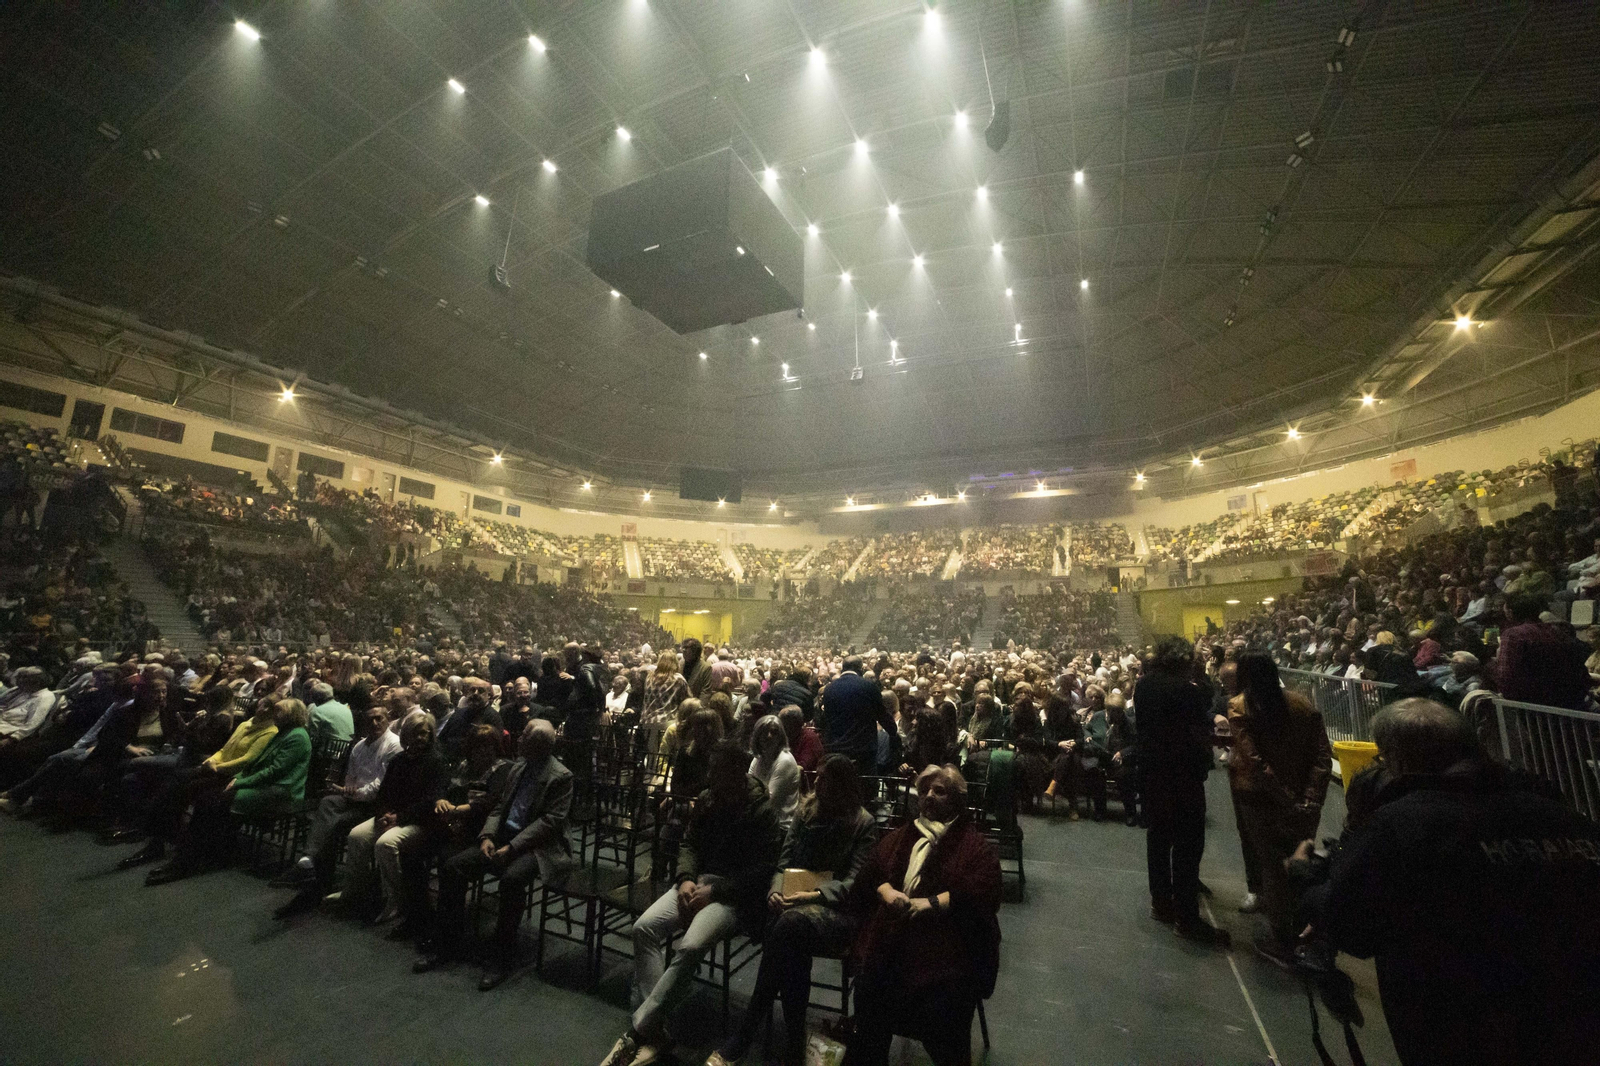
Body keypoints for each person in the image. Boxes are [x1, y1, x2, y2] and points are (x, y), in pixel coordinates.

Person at [1304, 699, 1600, 1065]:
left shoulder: (1401, 824)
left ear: (1397, 759)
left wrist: (1312, 885)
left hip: (1455, 1018)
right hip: (1574, 1014)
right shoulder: (1566, 817)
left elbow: (1354, 927)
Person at [600, 740, 782, 1066]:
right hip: (695, 885)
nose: (710, 775)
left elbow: (762, 871)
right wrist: (685, 877)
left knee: (691, 945)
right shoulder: (709, 800)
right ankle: (659, 1030)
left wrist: (715, 891)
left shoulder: (761, 811)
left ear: (737, 773)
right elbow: (690, 844)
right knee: (644, 928)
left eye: (717, 770)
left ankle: (640, 1031)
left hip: (731, 898)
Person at [709, 755, 878, 1066]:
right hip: (794, 904)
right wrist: (776, 890)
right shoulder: (806, 809)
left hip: (838, 910)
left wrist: (808, 896)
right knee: (790, 937)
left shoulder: (862, 823)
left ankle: (747, 1034)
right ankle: (794, 1041)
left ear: (843, 785)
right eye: (819, 776)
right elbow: (783, 862)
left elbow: (853, 883)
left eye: (826, 778)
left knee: (785, 927)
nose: (817, 782)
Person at [843, 764, 1001, 1066]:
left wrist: (931, 903)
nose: (928, 796)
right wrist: (886, 891)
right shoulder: (904, 834)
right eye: (924, 790)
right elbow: (870, 873)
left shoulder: (972, 843)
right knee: (869, 989)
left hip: (946, 950)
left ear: (956, 800)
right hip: (892, 946)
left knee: (943, 1005)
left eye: (939, 791)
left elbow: (985, 890)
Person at [414, 719, 573, 990]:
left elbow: (549, 823)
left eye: (524, 736)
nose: (518, 738)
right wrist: (487, 836)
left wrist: (512, 847)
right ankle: (447, 944)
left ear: (539, 745)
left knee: (511, 879)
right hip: (503, 837)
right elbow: (500, 807)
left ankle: (501, 958)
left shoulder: (560, 776)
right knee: (453, 867)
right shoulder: (519, 766)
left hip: (539, 847)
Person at [1224, 653, 1331, 966]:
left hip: (1258, 797)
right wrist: (1309, 798)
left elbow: (1253, 761)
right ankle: (1304, 931)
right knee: (1299, 861)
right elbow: (1322, 756)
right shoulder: (1302, 703)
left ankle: (1281, 938)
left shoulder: (1240, 706)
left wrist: (1283, 795)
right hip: (1302, 799)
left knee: (1272, 864)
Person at [144, 698, 312, 885]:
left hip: (279, 790)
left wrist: (241, 782)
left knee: (212, 802)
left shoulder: (297, 736)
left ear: (292, 714)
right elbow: (255, 763)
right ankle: (196, 854)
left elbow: (275, 771)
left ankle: (189, 860)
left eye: (279, 711)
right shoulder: (283, 732)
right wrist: (238, 778)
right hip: (263, 784)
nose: (274, 714)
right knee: (206, 799)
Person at [1135, 636, 1228, 945]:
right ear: (1182, 660)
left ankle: (1161, 904)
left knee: (1158, 840)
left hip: (1152, 774)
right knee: (1188, 846)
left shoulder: (1144, 685)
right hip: (1181, 777)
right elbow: (1196, 733)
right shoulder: (1187, 691)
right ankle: (1187, 918)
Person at [273, 701, 401, 917]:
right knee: (328, 802)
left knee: (334, 824)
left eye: (380, 718)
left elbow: (381, 785)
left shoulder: (393, 745)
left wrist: (354, 792)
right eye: (370, 719)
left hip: (376, 805)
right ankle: (309, 861)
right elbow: (351, 775)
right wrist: (347, 789)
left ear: (388, 720)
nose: (375, 722)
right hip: (355, 797)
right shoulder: (360, 746)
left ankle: (314, 882)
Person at [337, 710, 447, 932]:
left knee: (385, 844)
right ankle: (355, 889)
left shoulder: (436, 762)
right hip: (391, 816)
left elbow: (430, 801)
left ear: (431, 736)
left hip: (419, 822)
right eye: (415, 733)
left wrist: (398, 817)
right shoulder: (399, 760)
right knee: (357, 835)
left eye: (424, 734)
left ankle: (396, 899)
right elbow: (384, 793)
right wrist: (383, 814)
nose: (419, 738)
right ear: (405, 735)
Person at [1492, 592, 1591, 709]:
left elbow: (1506, 679)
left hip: (1535, 707)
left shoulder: (1513, 634)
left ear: (1510, 613)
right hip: (1573, 702)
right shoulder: (1558, 630)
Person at [748, 714, 801, 830]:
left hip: (780, 826)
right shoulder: (758, 757)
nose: (769, 736)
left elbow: (769, 802)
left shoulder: (784, 760)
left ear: (781, 736)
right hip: (761, 820)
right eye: (764, 732)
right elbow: (748, 788)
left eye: (774, 732)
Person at [642, 651, 688, 729]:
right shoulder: (678, 678)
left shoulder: (649, 677)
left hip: (647, 720)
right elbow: (687, 699)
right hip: (668, 721)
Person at [306, 681, 354, 746]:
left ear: (315, 698)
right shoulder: (346, 708)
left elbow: (311, 737)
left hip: (326, 752)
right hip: (346, 750)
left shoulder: (317, 711)